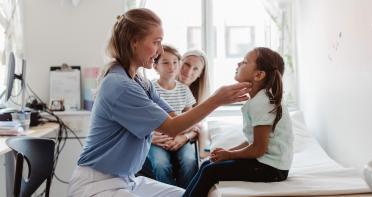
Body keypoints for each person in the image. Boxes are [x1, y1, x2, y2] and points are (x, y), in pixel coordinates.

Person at [67, 8, 251, 197]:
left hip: (127, 180)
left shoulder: (141, 82)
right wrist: (216, 100)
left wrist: (192, 130)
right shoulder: (119, 86)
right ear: (134, 42)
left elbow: (175, 119)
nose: (161, 50)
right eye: (156, 42)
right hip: (98, 184)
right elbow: (171, 127)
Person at [183, 47, 294, 197]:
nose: (238, 64)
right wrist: (228, 152)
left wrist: (229, 155)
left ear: (259, 75)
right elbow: (253, 142)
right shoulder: (260, 99)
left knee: (210, 171)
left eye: (244, 62)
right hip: (265, 163)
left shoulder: (262, 103)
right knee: (207, 164)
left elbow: (258, 149)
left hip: (271, 169)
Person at [145, 44, 199, 188]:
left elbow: (191, 118)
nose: (172, 67)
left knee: (190, 161)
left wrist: (183, 136)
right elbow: (144, 118)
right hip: (158, 138)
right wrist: (151, 136)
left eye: (175, 62)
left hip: (181, 135)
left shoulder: (184, 89)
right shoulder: (149, 88)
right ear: (156, 66)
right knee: (160, 164)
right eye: (166, 62)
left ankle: (186, 193)